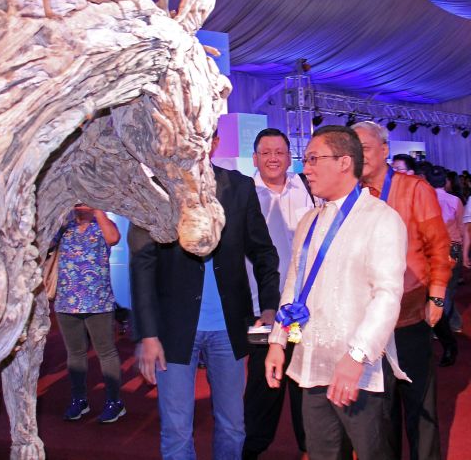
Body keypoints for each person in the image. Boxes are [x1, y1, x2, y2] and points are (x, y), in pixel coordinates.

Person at [130, 132, 280, 460]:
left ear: (214, 143)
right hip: (173, 330)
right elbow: (141, 266)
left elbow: (265, 253)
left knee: (233, 425)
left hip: (230, 328)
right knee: (176, 429)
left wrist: (269, 306)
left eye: (203, 138)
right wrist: (148, 334)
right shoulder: (154, 191)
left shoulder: (239, 188)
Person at [265, 125, 408, 460]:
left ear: (345, 162)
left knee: (374, 452)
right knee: (322, 453)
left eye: (314, 159)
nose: (306, 168)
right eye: (306, 159)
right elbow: (294, 287)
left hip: (359, 370)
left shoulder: (381, 219)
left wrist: (356, 357)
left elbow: (388, 296)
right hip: (312, 364)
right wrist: (277, 342)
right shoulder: (308, 221)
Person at [353, 121, 450, 460]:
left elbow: (439, 245)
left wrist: (436, 295)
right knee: (379, 410)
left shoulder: (413, 189)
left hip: (409, 313)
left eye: (364, 147)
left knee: (419, 407)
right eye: (354, 148)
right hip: (365, 321)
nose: (359, 155)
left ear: (384, 149)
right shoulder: (352, 195)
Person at [243, 128, 314, 460]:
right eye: (265, 152)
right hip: (262, 309)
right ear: (255, 158)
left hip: (301, 310)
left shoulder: (309, 191)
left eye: (279, 152)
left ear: (289, 157)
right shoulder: (243, 194)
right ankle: (254, 447)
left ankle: (309, 446)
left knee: (302, 378)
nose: (273, 158)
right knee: (263, 380)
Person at [53, 204, 125, 423]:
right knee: (75, 353)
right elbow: (45, 243)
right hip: (67, 301)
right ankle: (79, 399)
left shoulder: (102, 225)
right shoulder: (64, 227)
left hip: (98, 302)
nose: (80, 203)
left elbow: (113, 239)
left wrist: (98, 211)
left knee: (106, 352)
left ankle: (114, 401)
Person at [427, 166, 464, 356]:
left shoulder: (425, 199)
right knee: (447, 290)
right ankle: (444, 325)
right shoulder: (454, 200)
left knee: (438, 289)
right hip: (452, 248)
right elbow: (461, 228)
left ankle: (446, 324)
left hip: (432, 249)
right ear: (446, 181)